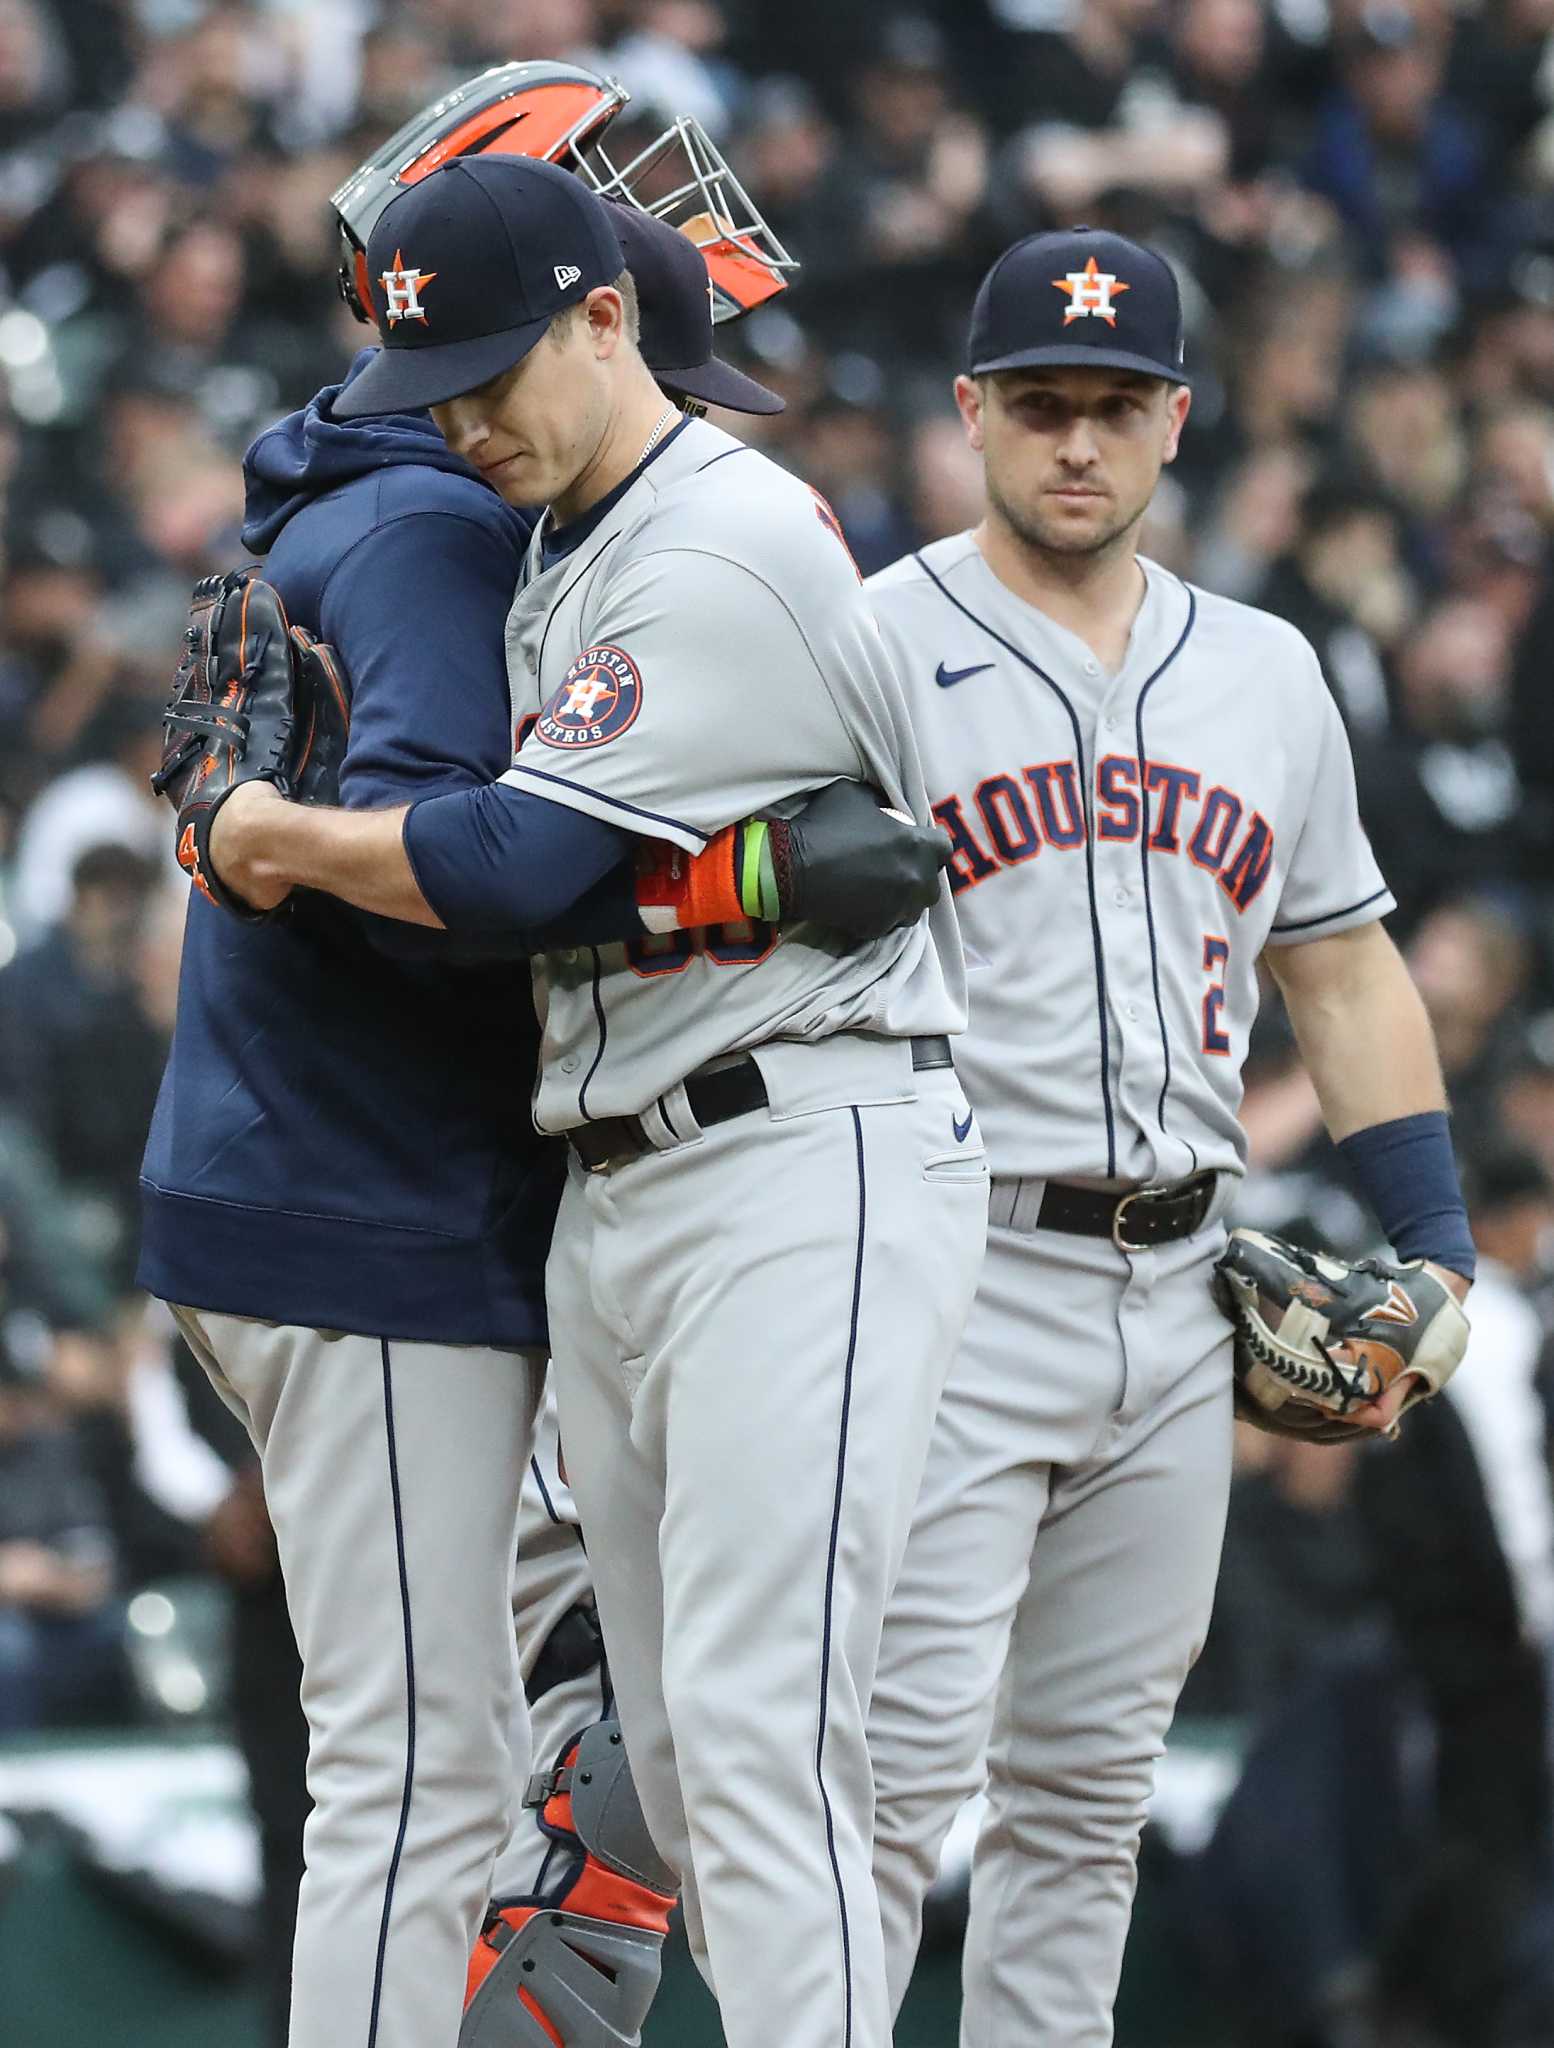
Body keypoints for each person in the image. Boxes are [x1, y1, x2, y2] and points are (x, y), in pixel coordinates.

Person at [193, 150, 988, 2048]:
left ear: (608, 318)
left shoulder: (713, 535)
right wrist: (726, 885)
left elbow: (494, 866)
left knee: (754, 1735)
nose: (463, 424)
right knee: (691, 1769)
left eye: (491, 373)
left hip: (804, 1152)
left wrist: (263, 834)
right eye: (431, 389)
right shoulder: (564, 529)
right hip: (627, 1172)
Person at [852, 226, 1476, 2045]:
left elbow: (1344, 974)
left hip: (1187, 1286)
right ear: (968, 412)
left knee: (1087, 1797)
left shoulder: (1268, 672)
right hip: (949, 1266)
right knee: (886, 1797)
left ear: (1175, 422)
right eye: (1038, 404)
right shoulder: (872, 647)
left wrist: (1430, 1240)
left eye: (1113, 409)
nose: (1075, 444)